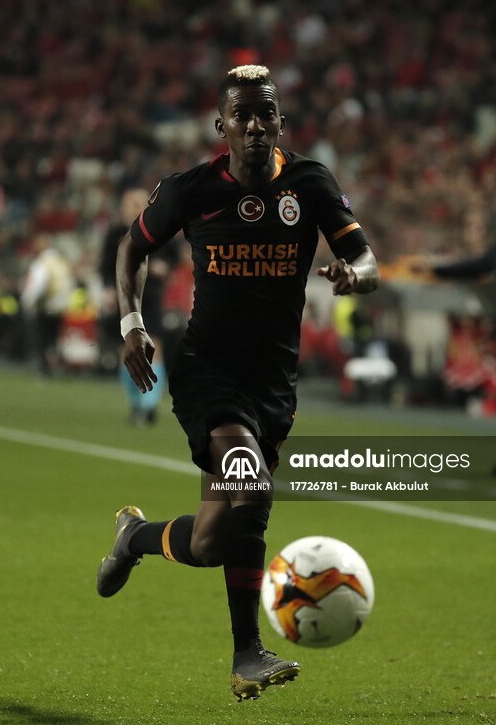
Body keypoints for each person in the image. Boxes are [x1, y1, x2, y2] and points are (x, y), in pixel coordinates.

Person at [96, 64, 379, 701]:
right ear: (220, 125)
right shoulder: (191, 189)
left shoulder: (310, 184)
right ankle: (247, 653)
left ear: (281, 122)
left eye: (265, 114)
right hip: (207, 371)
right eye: (241, 115)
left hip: (273, 382)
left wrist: (355, 275)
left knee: (210, 540)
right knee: (251, 487)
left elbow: (365, 258)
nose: (254, 126)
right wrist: (132, 323)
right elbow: (131, 248)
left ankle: (135, 537)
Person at [99, 188, 177, 424]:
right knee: (127, 350)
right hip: (124, 298)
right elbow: (105, 266)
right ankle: (135, 403)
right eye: (128, 204)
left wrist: (164, 267)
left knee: (155, 347)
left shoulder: (160, 229)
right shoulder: (115, 233)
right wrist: (108, 287)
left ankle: (149, 405)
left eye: (137, 203)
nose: (132, 208)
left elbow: (173, 256)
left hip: (150, 296)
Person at [20, 233, 74, 377]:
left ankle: (44, 369)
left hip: (46, 305)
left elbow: (38, 286)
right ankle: (56, 366)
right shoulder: (60, 260)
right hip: (60, 306)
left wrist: (27, 302)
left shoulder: (42, 262)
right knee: (53, 339)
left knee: (43, 339)